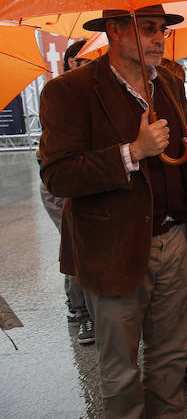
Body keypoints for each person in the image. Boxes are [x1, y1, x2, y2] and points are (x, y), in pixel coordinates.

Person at [39, 5, 187, 418]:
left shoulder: (167, 80)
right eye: (148, 29)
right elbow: (58, 174)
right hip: (111, 250)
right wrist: (132, 153)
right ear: (113, 31)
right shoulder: (70, 91)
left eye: (162, 31)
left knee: (170, 360)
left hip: (174, 240)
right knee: (120, 372)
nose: (159, 38)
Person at [38, 39, 95, 345]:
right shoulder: (61, 92)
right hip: (61, 186)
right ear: (73, 62)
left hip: (91, 180)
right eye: (88, 59)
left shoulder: (101, 91)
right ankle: (80, 312)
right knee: (76, 246)